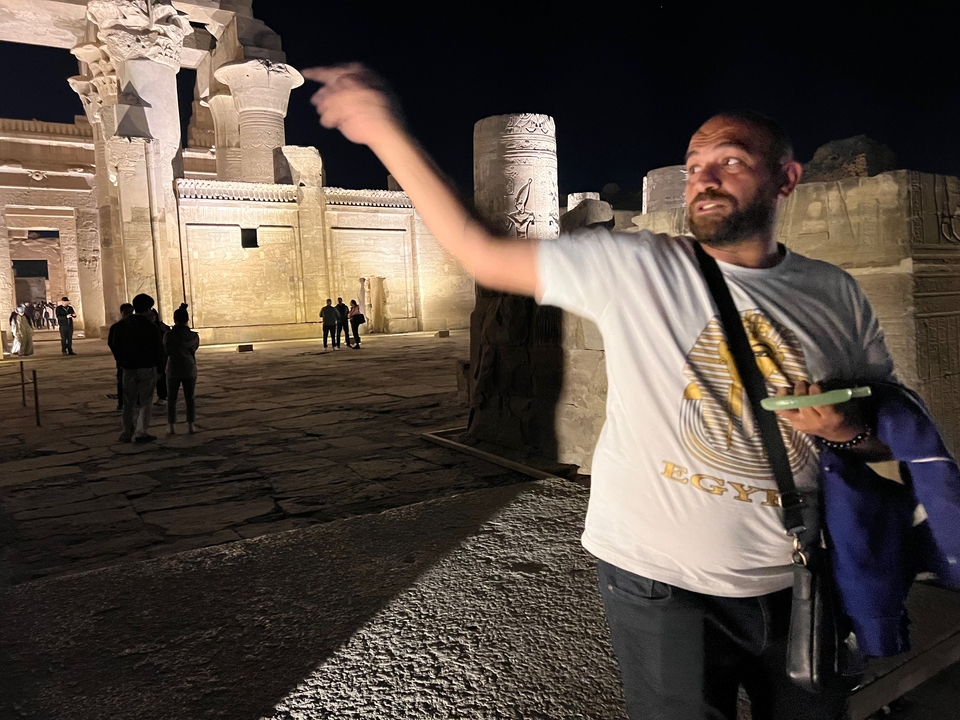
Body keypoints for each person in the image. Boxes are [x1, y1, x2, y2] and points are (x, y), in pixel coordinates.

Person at [305, 65, 898, 719]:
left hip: (804, 576)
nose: (704, 175)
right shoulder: (637, 266)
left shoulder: (835, 292)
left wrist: (847, 431)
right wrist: (384, 132)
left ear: (787, 178)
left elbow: (886, 431)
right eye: (696, 160)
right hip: (660, 588)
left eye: (730, 160)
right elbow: (482, 252)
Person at [108, 293, 163, 443]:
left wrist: (121, 361)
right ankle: (141, 432)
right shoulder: (150, 327)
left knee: (128, 401)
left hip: (128, 367)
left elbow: (113, 344)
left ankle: (127, 431)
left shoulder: (120, 326)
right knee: (145, 401)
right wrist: (160, 369)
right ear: (147, 309)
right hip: (147, 367)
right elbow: (158, 349)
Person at [164, 303, 200, 435]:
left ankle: (171, 426)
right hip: (189, 368)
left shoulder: (169, 335)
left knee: (172, 398)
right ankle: (191, 425)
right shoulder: (194, 336)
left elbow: (167, 351)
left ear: (175, 319)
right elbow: (194, 349)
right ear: (187, 319)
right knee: (190, 398)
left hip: (173, 368)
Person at [107, 303, 134, 411]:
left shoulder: (117, 327)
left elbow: (111, 343)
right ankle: (126, 402)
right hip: (130, 359)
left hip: (124, 359)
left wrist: (118, 355)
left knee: (123, 381)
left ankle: (123, 403)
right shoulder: (138, 326)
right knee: (126, 381)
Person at [148, 308, 171, 406]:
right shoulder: (147, 327)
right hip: (150, 356)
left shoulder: (161, 327)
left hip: (161, 356)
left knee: (161, 376)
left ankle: (163, 396)